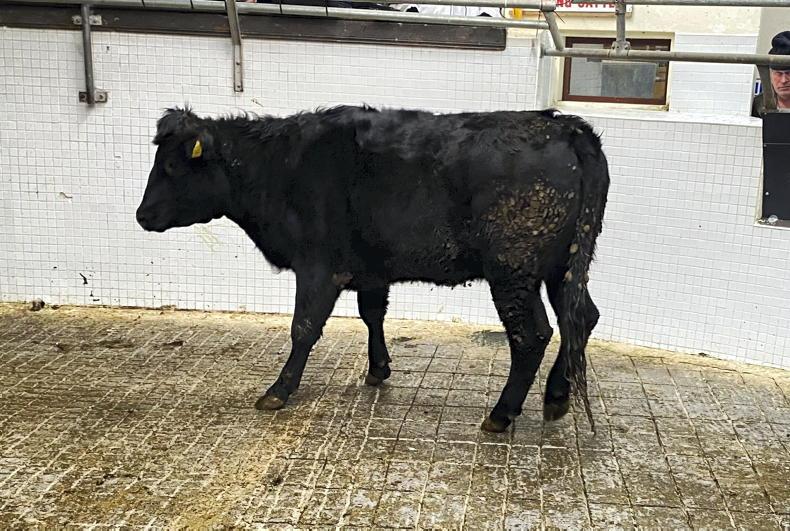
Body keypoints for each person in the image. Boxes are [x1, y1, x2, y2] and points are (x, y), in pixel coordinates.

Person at [753, 31, 790, 117]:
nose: (784, 80)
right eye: (778, 74)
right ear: (770, 75)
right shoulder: (759, 104)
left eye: (789, 73)